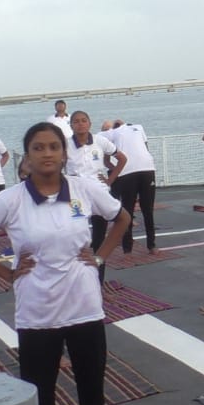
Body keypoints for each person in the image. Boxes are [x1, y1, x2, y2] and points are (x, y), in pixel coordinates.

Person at [0, 122, 133, 405]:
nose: (47, 153)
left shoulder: (85, 188)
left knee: (92, 396)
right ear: (27, 157)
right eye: (38, 148)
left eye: (53, 146)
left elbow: (121, 218)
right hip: (37, 314)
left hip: (85, 308)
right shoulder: (10, 200)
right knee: (41, 402)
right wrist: (8, 273)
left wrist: (99, 257)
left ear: (64, 154)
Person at [66, 111, 125, 283]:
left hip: (99, 192)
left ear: (90, 123)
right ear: (71, 125)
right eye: (76, 121)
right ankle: (76, 279)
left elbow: (122, 159)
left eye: (84, 121)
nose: (80, 124)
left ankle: (98, 281)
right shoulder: (65, 144)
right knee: (77, 237)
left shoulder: (100, 141)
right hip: (75, 194)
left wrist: (110, 180)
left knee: (99, 239)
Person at [104, 119, 158, 255]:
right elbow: (146, 147)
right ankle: (151, 245)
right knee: (147, 210)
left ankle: (127, 247)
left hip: (131, 172)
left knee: (128, 210)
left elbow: (106, 160)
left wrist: (116, 170)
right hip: (147, 169)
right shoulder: (137, 127)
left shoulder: (112, 133)